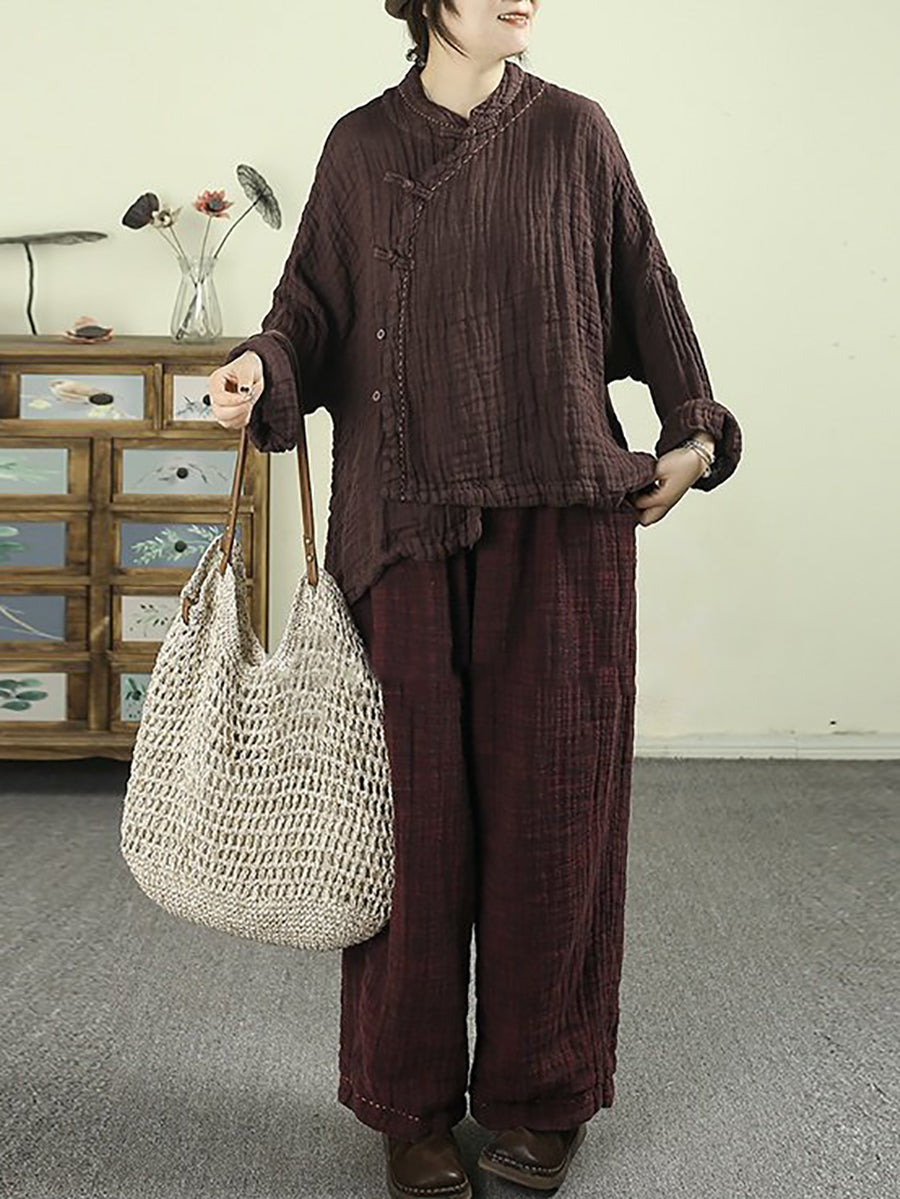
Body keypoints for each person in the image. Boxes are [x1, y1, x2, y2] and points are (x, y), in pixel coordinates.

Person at [208, 3, 743, 1196]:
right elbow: (307, 312)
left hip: (560, 524)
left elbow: (646, 285)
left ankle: (544, 1095)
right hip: (403, 529)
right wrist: (259, 365)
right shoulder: (361, 146)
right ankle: (406, 1100)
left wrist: (694, 432)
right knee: (408, 834)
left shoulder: (575, 134)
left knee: (556, 823)